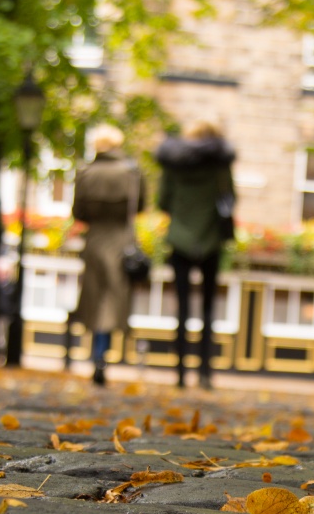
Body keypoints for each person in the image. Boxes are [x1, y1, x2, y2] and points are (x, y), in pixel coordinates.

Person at [155, 120, 236, 389]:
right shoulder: (219, 164)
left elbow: (162, 201)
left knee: (182, 308)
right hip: (211, 240)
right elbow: (230, 197)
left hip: (180, 239)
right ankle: (205, 373)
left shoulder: (173, 164)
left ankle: (179, 373)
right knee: (208, 310)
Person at [68, 126, 143, 388]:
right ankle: (103, 356)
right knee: (113, 298)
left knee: (95, 296)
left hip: (95, 239)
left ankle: (96, 356)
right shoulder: (131, 173)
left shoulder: (85, 173)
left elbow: (78, 212)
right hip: (121, 240)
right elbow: (141, 206)